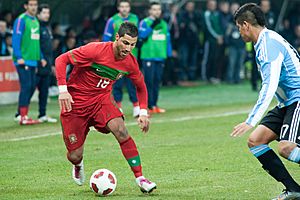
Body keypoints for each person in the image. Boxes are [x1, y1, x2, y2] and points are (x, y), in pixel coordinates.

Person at [55, 22, 156, 193]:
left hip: (101, 101)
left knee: (121, 131)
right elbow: (61, 60)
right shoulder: (95, 50)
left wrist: (143, 112)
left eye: (133, 44)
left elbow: (141, 86)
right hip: (75, 105)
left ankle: (140, 178)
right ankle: (78, 165)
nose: (128, 48)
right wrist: (63, 90)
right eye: (125, 42)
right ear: (117, 37)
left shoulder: (130, 62)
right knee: (74, 155)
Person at [231, 3, 300, 199]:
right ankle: (294, 190)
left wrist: (251, 120)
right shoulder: (262, 41)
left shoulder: (269, 44)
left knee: (286, 148)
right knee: (256, 141)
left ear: (245, 25)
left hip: (298, 99)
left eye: (238, 27)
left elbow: (269, 86)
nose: (239, 31)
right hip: (287, 103)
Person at [103, 0, 140, 118]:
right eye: (122, 6)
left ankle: (136, 107)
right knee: (117, 83)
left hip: (132, 56)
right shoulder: (112, 21)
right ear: (118, 8)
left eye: (126, 6)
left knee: (133, 82)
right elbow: (106, 38)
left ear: (129, 8)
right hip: (117, 58)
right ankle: (118, 108)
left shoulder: (135, 18)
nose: (124, 9)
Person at [12, 0, 47, 125]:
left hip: (33, 61)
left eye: (35, 5)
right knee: (26, 87)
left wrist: (41, 57)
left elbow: (36, 43)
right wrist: (18, 56)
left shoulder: (35, 21)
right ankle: (22, 117)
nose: (33, 7)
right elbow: (16, 38)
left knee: (32, 87)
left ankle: (22, 114)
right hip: (23, 60)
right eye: (31, 5)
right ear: (26, 6)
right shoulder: (21, 20)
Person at [139, 2, 172, 114]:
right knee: (149, 81)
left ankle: (154, 105)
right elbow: (142, 36)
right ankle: (147, 106)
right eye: (154, 9)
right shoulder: (144, 22)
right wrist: (152, 25)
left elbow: (167, 40)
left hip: (160, 57)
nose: (156, 11)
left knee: (157, 82)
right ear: (150, 11)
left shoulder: (164, 23)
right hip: (148, 56)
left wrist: (169, 55)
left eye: (158, 9)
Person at [36, 4, 57, 123]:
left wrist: (52, 63)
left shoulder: (47, 27)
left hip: (48, 64)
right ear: (38, 14)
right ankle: (21, 113)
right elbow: (35, 45)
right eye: (44, 13)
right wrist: (41, 58)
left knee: (44, 90)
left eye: (48, 13)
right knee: (29, 89)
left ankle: (42, 114)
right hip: (38, 63)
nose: (46, 15)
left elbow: (50, 48)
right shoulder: (36, 26)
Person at [225, 2, 245, 84]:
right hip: (232, 45)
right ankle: (230, 79)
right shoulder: (229, 19)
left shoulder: (243, 20)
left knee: (240, 63)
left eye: (236, 9)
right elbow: (226, 34)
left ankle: (238, 79)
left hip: (241, 45)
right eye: (233, 9)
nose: (235, 11)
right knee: (231, 63)